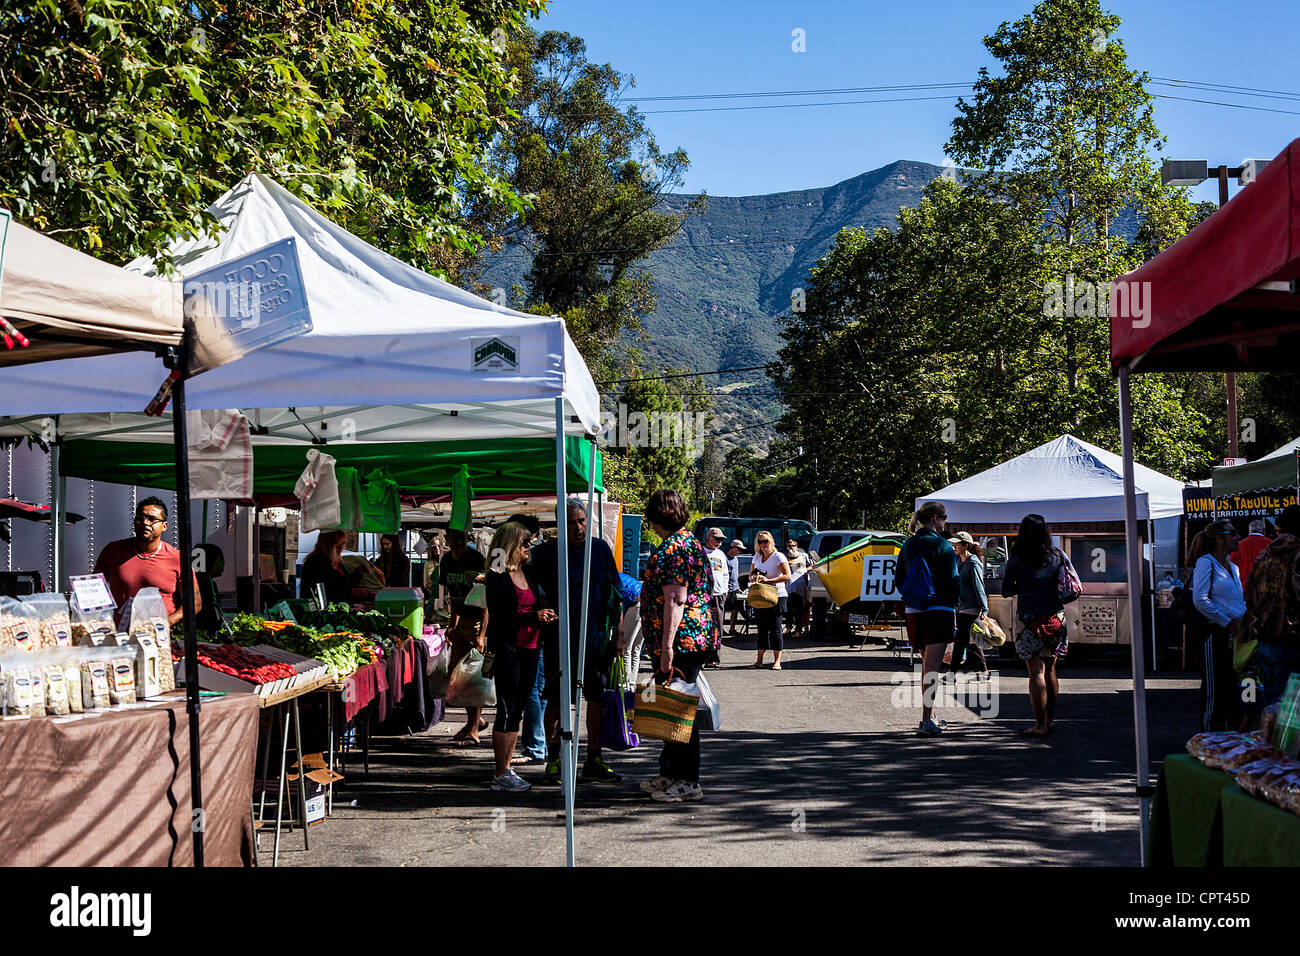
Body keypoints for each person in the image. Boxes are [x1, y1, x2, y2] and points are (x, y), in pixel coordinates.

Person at [638, 488, 720, 802]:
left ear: (659, 517)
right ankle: (670, 774)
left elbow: (675, 599)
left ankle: (687, 781)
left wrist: (667, 648)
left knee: (680, 710)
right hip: (691, 637)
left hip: (681, 640)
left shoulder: (674, 548)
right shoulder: (690, 543)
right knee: (670, 706)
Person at [531, 498, 621, 785]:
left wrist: (617, 635)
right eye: (572, 522)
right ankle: (555, 759)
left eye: (582, 521)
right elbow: (536, 594)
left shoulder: (600, 549)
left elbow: (614, 594)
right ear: (560, 524)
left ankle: (594, 757)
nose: (579, 527)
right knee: (556, 698)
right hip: (559, 639)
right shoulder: (545, 553)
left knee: (596, 697)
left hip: (594, 639)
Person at [481, 521, 556, 791]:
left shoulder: (529, 572)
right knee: (506, 707)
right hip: (508, 648)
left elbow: (540, 600)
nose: (529, 547)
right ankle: (500, 771)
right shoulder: (498, 574)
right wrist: (533, 616)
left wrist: (544, 613)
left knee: (519, 709)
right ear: (512, 544)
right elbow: (501, 615)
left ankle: (508, 769)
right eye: (524, 542)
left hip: (531, 646)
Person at [1001, 514, 1078, 737]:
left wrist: (1023, 587)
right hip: (1055, 618)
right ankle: (1050, 720)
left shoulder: (1016, 559)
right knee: (1051, 669)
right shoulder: (1058, 555)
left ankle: (1040, 724)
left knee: (1036, 671)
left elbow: (1006, 590)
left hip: (1029, 621)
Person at [894, 501, 960, 736]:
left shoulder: (908, 544)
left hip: (915, 610)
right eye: (944, 518)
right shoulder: (943, 546)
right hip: (940, 610)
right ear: (934, 518)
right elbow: (953, 582)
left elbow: (899, 578)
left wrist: (912, 597)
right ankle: (925, 719)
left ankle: (929, 714)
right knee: (932, 668)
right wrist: (956, 605)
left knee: (926, 666)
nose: (945, 522)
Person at [94, 496, 201, 627]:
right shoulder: (113, 551)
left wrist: (167, 622)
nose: (145, 522)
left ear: (164, 526)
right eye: (140, 518)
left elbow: (194, 603)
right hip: (121, 636)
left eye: (152, 519)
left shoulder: (177, 558)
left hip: (160, 637)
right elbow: (93, 590)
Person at [1187, 520, 1246, 731]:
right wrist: (1227, 622)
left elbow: (1236, 600)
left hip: (1236, 636)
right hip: (1215, 634)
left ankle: (1228, 740)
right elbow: (1200, 599)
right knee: (1215, 691)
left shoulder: (1234, 567)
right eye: (1234, 533)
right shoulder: (1206, 563)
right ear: (1219, 539)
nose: (1238, 537)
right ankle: (1209, 738)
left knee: (1232, 690)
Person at [1243, 505, 1300, 710]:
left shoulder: (1265, 553)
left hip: (1264, 636)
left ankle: (1269, 741)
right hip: (1290, 638)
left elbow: (1249, 592)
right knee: (1288, 711)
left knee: (1271, 705)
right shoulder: (1297, 554)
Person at [440, 527, 488, 746]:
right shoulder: (447, 561)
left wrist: (482, 635)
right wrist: (452, 625)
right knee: (456, 678)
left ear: (467, 538)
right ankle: (476, 720)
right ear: (447, 539)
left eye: (461, 538)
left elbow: (486, 600)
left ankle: (474, 729)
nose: (458, 542)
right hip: (461, 623)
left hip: (478, 622)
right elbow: (453, 595)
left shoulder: (476, 559)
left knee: (473, 679)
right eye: (454, 538)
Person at [947, 531, 989, 679]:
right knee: (969, 641)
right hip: (962, 606)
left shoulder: (973, 563)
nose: (954, 546)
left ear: (966, 545)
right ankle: (984, 672)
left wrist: (984, 608)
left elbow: (979, 586)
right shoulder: (960, 562)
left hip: (970, 607)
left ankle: (952, 674)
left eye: (957, 544)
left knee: (962, 641)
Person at [750, 531, 792, 669]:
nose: (763, 545)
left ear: (771, 541)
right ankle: (759, 660)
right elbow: (751, 575)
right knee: (761, 629)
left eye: (765, 541)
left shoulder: (778, 556)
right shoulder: (756, 557)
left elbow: (787, 576)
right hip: (761, 595)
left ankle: (777, 661)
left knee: (775, 629)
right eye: (760, 542)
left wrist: (769, 580)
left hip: (777, 595)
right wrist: (754, 577)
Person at [300, 530, 374, 605]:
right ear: (328, 545)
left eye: (343, 544)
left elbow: (345, 583)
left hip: (340, 607)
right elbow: (327, 589)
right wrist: (350, 592)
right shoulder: (315, 562)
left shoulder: (337, 562)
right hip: (323, 610)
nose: (341, 548)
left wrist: (358, 573)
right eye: (338, 545)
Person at [703, 527, 729, 667]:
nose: (719, 542)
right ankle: (703, 657)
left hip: (719, 594)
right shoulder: (700, 552)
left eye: (721, 540)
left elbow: (725, 573)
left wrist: (724, 591)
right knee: (703, 626)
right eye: (717, 539)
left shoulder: (720, 554)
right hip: (703, 594)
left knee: (717, 627)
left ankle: (715, 658)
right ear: (709, 538)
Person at [194, 543, 226, 634]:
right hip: (201, 634)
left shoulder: (211, 583)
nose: (224, 563)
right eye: (220, 559)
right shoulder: (199, 584)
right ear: (210, 560)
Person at [1231, 519, 1272, 588]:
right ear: (1263, 530)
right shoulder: (1271, 544)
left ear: (1249, 530)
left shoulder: (1238, 546)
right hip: (1266, 586)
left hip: (1245, 585)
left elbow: (1231, 565)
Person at [784, 537, 810, 640]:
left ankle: (798, 630)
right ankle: (789, 628)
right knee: (789, 608)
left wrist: (804, 570)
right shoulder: (785, 558)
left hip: (800, 585)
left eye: (793, 545)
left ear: (797, 546)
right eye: (789, 546)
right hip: (789, 585)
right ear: (786, 547)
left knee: (799, 609)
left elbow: (812, 566)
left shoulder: (803, 556)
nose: (791, 548)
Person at [725, 539, 747, 635]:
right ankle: (720, 629)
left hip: (734, 588)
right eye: (739, 549)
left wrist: (737, 587)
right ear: (733, 548)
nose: (740, 552)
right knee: (724, 609)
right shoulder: (725, 558)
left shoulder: (736, 559)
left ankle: (732, 629)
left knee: (735, 609)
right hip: (726, 588)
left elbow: (735, 574)